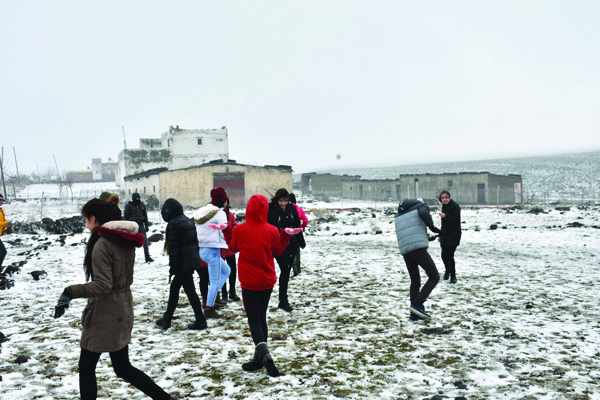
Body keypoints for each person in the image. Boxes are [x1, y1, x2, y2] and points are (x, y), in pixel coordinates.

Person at [53, 199, 177, 400]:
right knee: (122, 367)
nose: (85, 225)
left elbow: (103, 285)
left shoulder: (102, 244)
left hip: (106, 313)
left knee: (87, 366)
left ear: (94, 219)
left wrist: (69, 292)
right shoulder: (124, 240)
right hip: (122, 308)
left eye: (85, 220)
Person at [219, 194, 302, 377]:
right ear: (265, 209)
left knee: (253, 319)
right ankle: (259, 357)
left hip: (250, 282)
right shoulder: (271, 230)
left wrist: (226, 231)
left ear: (248, 209)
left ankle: (263, 353)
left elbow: (232, 248)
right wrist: (284, 235)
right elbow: (278, 250)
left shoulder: (240, 230)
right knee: (261, 316)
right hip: (267, 281)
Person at [155, 198, 207, 330]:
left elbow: (174, 249)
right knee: (175, 289)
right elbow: (194, 243)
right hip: (189, 261)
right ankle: (167, 318)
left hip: (182, 263)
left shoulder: (173, 224)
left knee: (190, 291)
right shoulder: (187, 221)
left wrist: (173, 267)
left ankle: (201, 320)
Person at [394, 198, 441, 320]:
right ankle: (417, 304)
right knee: (434, 276)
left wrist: (427, 237)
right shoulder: (421, 206)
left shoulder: (400, 215)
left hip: (406, 250)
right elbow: (424, 214)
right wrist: (433, 228)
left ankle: (414, 314)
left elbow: (411, 231)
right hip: (417, 249)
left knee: (415, 281)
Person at [194, 187, 231, 318]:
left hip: (203, 250)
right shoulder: (219, 213)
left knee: (226, 270)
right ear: (223, 200)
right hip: (213, 249)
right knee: (214, 280)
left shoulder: (202, 211)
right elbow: (225, 230)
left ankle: (213, 296)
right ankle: (209, 307)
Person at [267, 188, 306, 312]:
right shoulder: (271, 210)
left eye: (285, 201)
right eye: (280, 201)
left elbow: (297, 226)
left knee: (286, 272)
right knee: (283, 269)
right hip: (277, 245)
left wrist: (301, 242)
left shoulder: (292, 209)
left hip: (291, 245)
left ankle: (283, 299)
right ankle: (281, 299)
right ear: (276, 200)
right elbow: (267, 227)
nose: (283, 203)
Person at [219, 193, 240, 302]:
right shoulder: (215, 215)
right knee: (222, 271)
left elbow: (235, 226)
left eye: (225, 201)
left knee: (232, 270)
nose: (224, 204)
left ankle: (232, 292)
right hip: (219, 248)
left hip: (230, 248)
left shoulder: (230, 215)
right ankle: (223, 293)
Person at [438, 190, 461, 283]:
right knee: (443, 256)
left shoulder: (455, 206)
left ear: (450, 197)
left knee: (450, 256)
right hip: (445, 235)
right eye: (443, 198)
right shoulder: (444, 207)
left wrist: (446, 216)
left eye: (446, 197)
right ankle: (447, 271)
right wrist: (440, 235)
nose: (444, 199)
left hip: (454, 235)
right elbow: (443, 224)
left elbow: (456, 220)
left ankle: (453, 276)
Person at [124, 193, 153, 263]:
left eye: (138, 198)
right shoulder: (129, 206)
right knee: (132, 243)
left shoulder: (142, 205)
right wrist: (125, 227)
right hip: (132, 226)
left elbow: (145, 215)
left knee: (145, 242)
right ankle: (131, 257)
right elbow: (125, 217)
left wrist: (146, 225)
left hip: (140, 225)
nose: (137, 200)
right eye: (136, 198)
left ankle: (147, 257)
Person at [287, 193, 307, 277]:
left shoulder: (287, 209)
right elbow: (305, 220)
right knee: (297, 249)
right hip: (297, 231)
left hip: (288, 232)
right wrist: (302, 227)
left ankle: (293, 266)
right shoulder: (299, 209)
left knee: (290, 250)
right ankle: (297, 267)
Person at [0, 194, 10, 271]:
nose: (2, 202)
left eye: (2, 200)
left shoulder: (0, 211)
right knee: (3, 252)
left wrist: (7, 225)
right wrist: (7, 223)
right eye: (0, 200)